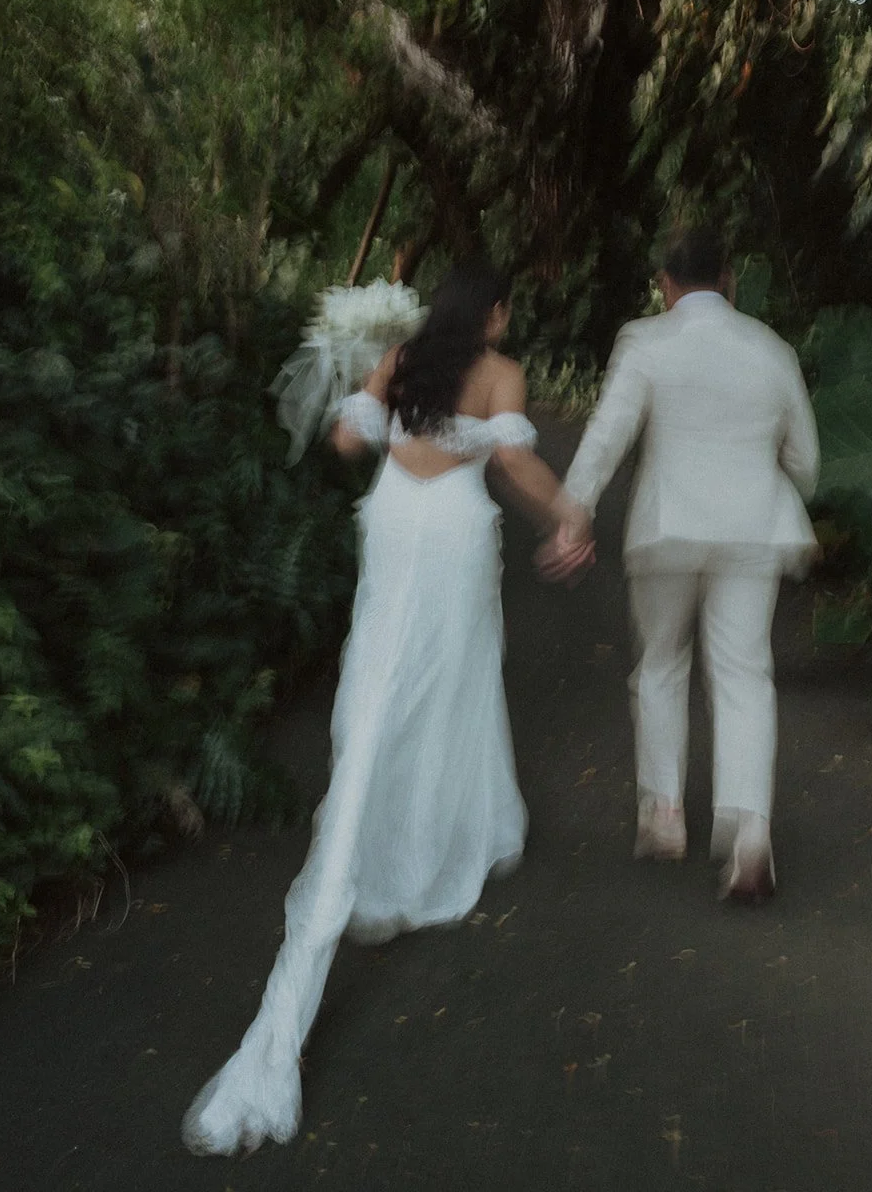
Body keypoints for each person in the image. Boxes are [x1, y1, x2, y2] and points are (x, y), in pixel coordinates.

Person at [182, 260, 591, 1156]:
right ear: (493, 313)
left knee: (378, 687)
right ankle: (432, 840)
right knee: (450, 685)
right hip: (452, 537)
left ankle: (383, 822)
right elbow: (512, 459)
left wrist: (361, 391)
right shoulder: (500, 371)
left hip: (394, 528)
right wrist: (570, 513)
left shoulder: (400, 360)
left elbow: (343, 443)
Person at [545, 227, 819, 901]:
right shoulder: (771, 349)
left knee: (662, 663)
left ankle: (664, 813)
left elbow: (607, 435)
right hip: (752, 528)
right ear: (728, 278)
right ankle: (749, 830)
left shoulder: (647, 343)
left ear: (665, 284)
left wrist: (574, 512)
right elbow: (805, 461)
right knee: (744, 673)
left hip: (667, 527)